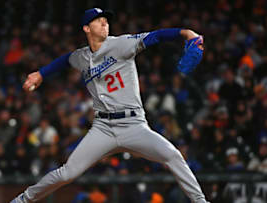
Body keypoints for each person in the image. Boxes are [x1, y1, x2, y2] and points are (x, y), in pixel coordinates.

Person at [11, 8, 207, 203]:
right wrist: (41, 74)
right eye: (99, 20)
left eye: (106, 20)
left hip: (133, 125)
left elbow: (155, 37)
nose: (105, 23)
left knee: (172, 155)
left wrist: (186, 33)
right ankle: (22, 200)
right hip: (102, 128)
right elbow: (65, 60)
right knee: (66, 174)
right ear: (86, 28)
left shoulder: (121, 44)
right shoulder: (82, 57)